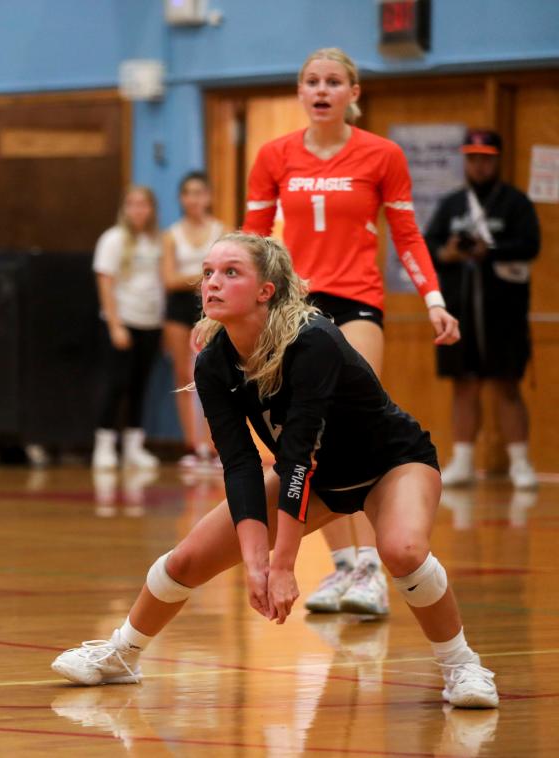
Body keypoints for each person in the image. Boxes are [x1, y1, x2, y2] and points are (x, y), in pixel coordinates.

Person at [52, 233, 498, 710]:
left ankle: (463, 666)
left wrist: (282, 564)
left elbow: (298, 455)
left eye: (230, 273)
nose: (212, 284)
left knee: (402, 550)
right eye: (207, 273)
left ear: (266, 289)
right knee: (186, 560)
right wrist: (255, 564)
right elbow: (241, 464)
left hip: (391, 464)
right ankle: (121, 655)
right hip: (321, 477)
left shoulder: (313, 340)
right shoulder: (213, 362)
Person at [243, 47, 458, 617]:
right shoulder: (274, 156)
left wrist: (434, 300)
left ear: (353, 93)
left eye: (333, 82)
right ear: (300, 91)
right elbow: (252, 243)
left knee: (345, 424)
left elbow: (408, 237)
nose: (321, 90)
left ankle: (372, 569)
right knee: (301, 439)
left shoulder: (381, 154)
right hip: (294, 307)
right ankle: (347, 567)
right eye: (311, 81)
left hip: (357, 303)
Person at [425, 129, 541, 490]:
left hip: (503, 313)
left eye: (485, 157)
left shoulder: (515, 203)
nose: (478, 164)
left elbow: (530, 244)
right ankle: (462, 460)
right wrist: (448, 254)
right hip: (458, 310)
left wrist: (488, 251)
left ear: (497, 159)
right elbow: (428, 245)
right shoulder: (451, 204)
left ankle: (520, 462)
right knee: (463, 384)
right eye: (472, 157)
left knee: (507, 385)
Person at [91, 186, 164, 470]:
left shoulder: (157, 240)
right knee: (115, 383)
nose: (138, 210)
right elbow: (105, 282)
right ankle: (104, 444)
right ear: (124, 208)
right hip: (122, 321)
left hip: (150, 322)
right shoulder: (113, 239)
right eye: (132, 204)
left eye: (144, 204)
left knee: (140, 385)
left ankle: (134, 446)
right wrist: (115, 325)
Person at [162, 171, 224, 469]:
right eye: (188, 193)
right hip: (178, 308)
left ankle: (215, 447)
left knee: (213, 375)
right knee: (183, 376)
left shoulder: (220, 231)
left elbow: (226, 272)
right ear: (180, 198)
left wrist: (206, 279)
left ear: (208, 197)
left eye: (199, 193)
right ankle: (192, 446)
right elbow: (169, 279)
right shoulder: (171, 234)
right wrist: (203, 276)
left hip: (210, 305)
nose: (194, 199)